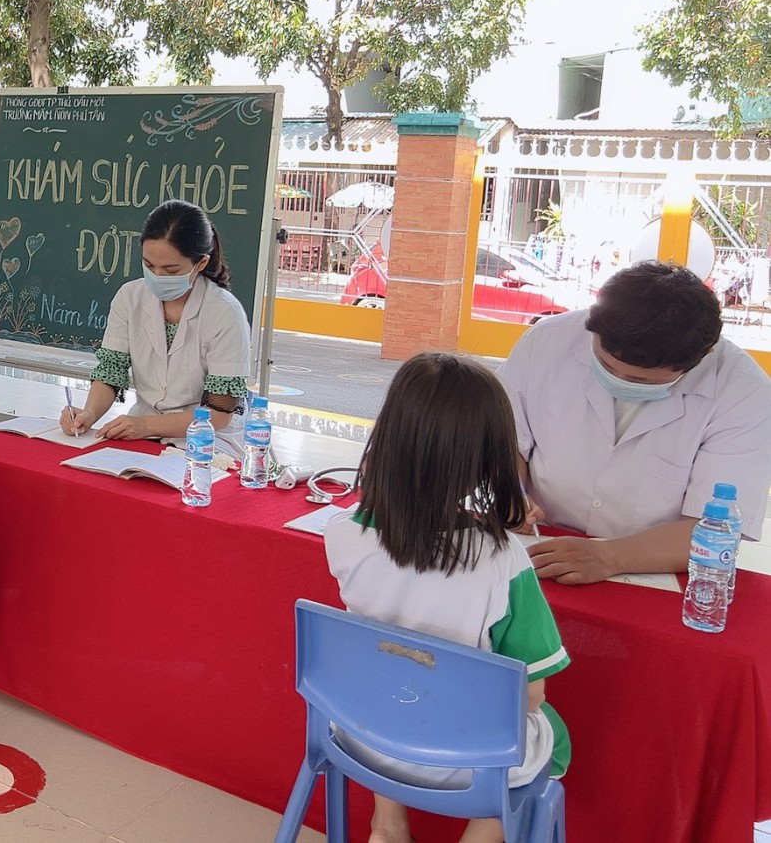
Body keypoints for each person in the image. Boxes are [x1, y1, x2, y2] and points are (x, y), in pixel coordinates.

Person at [325, 352, 571, 843]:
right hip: (466, 762)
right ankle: (480, 834)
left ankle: (387, 826)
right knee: (552, 736)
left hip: (364, 736)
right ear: (489, 459)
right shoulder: (503, 559)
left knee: (394, 688)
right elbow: (530, 694)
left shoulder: (341, 533)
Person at [499, 260, 771, 585]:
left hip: (652, 570)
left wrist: (611, 556)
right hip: (538, 544)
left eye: (638, 379)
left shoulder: (743, 392)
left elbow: (716, 527)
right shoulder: (546, 342)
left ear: (703, 355)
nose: (618, 381)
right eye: (605, 365)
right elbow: (505, 440)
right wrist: (508, 493)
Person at [58, 199, 252, 455]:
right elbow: (110, 372)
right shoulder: (130, 297)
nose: (158, 277)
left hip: (208, 440)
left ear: (201, 264)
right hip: (144, 430)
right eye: (149, 266)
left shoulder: (224, 312)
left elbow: (218, 414)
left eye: (171, 270)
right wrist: (88, 413)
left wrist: (147, 426)